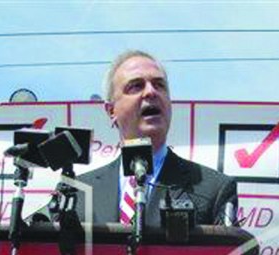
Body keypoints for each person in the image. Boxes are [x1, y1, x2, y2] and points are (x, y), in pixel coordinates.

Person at [76, 50, 237, 225]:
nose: (151, 92)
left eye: (159, 85)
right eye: (136, 86)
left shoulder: (214, 188)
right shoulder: (78, 191)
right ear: (111, 111)